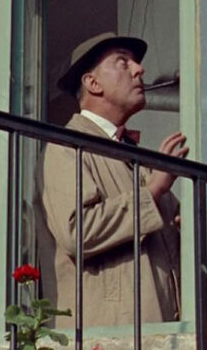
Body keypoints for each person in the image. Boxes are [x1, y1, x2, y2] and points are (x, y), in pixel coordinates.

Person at [35, 32, 187, 328]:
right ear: (92, 83)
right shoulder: (66, 146)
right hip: (107, 334)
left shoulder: (137, 160)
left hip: (160, 333)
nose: (139, 69)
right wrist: (153, 191)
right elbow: (76, 231)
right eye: (122, 62)